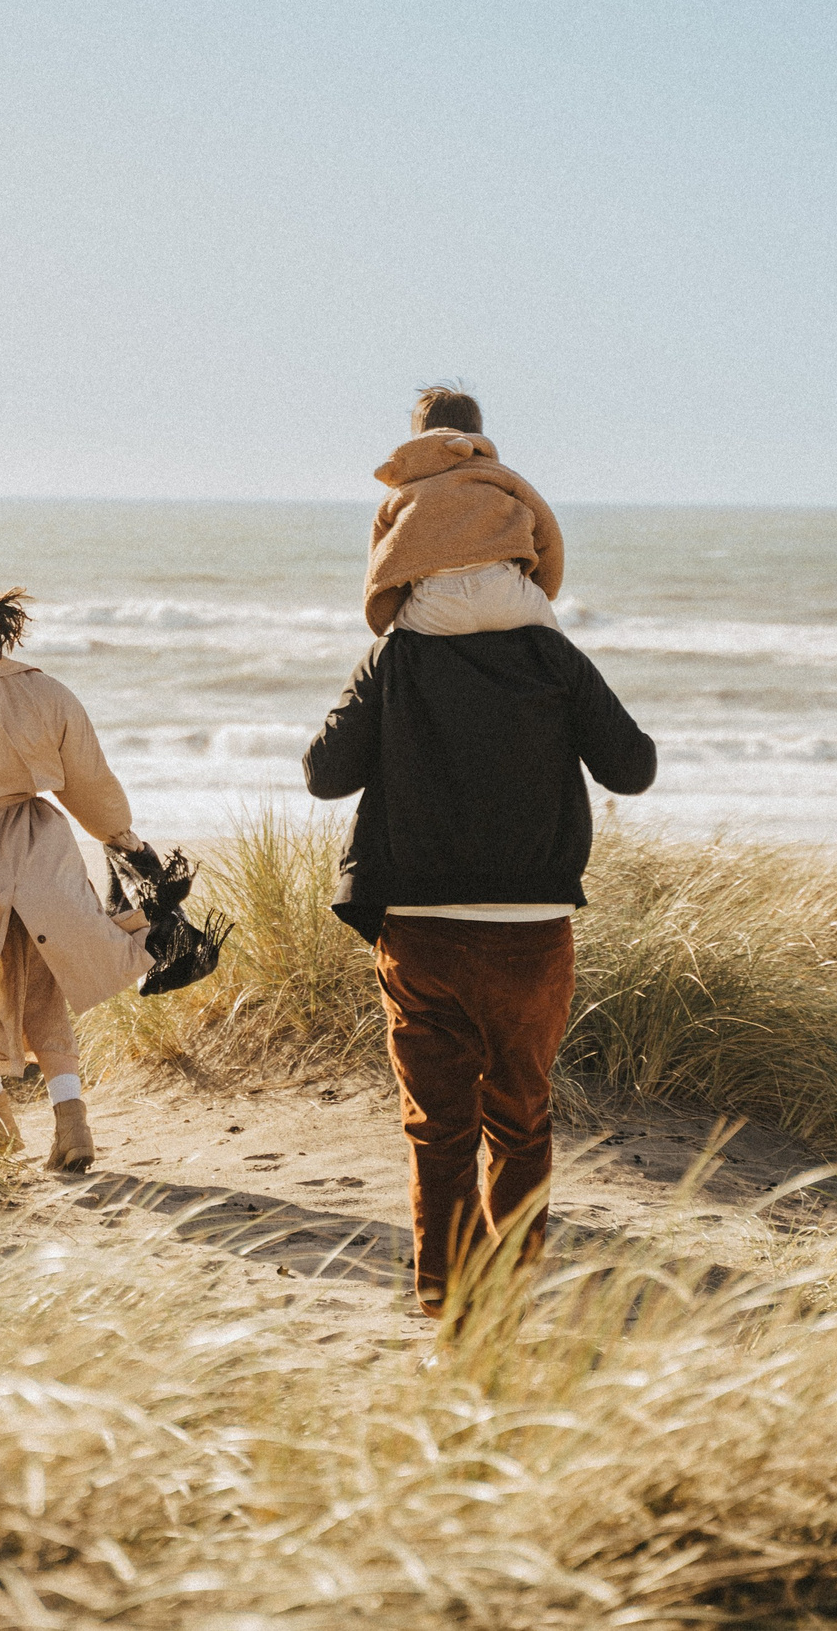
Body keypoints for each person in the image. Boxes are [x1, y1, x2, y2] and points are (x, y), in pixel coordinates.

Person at [303, 561, 656, 1319]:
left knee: (438, 1131)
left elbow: (325, 774)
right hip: (530, 934)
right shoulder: (551, 654)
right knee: (521, 1122)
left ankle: (452, 1313)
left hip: (420, 932)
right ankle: (510, 1296)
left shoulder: (396, 656)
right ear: (523, 562)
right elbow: (632, 768)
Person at [0, 577, 215, 1170]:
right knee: (45, 994)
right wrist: (121, 836)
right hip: (39, 846)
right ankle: (72, 1123)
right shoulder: (47, 690)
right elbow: (89, 780)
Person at [364, 384, 567, 639]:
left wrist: (381, 616)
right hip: (505, 590)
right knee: (559, 651)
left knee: (392, 649)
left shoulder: (402, 490)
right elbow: (548, 534)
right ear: (477, 432)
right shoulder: (500, 475)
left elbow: (381, 561)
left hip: (435, 602)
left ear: (418, 437)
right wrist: (542, 589)